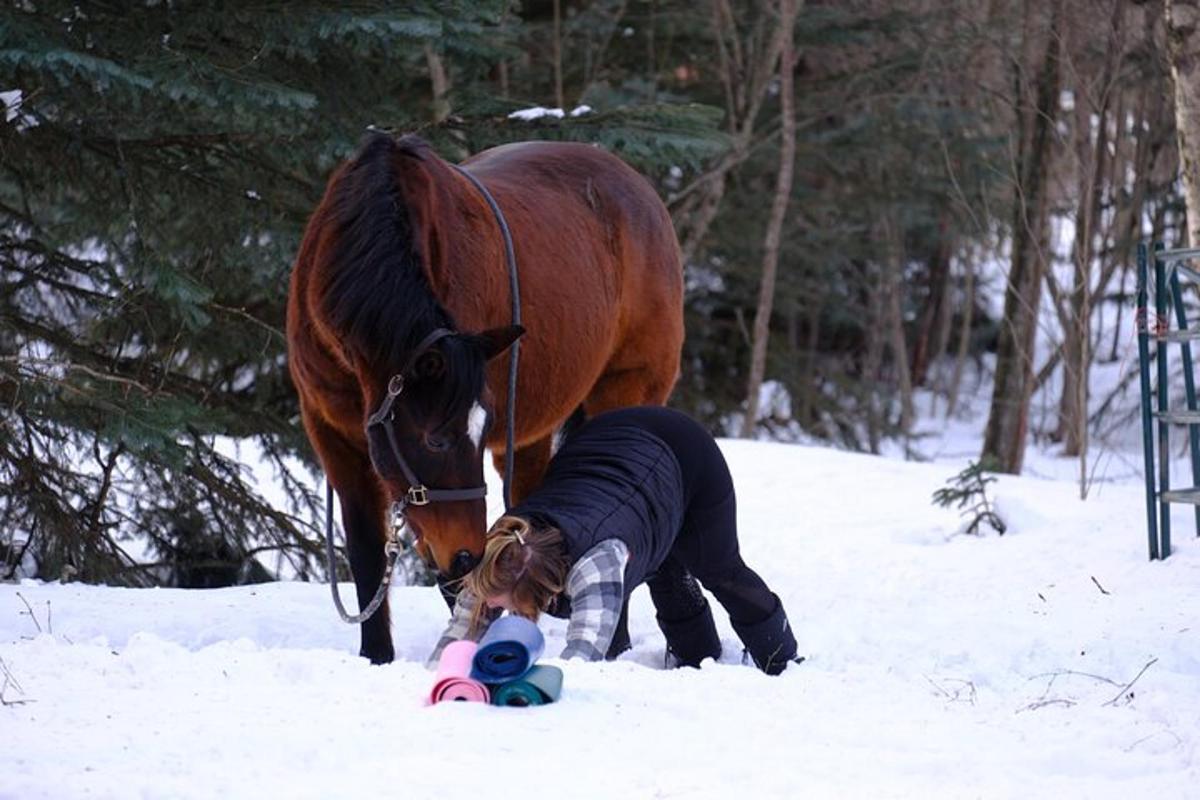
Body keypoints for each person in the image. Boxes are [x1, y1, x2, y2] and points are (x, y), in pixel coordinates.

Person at [429, 406, 800, 675]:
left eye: (497, 600)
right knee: (654, 556)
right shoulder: (507, 545)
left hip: (683, 453)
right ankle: (699, 654)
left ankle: (782, 658)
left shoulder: (598, 562)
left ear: (534, 586)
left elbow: (581, 661)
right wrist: (441, 676)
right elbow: (464, 624)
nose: (489, 603)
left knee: (716, 568)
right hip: (600, 443)